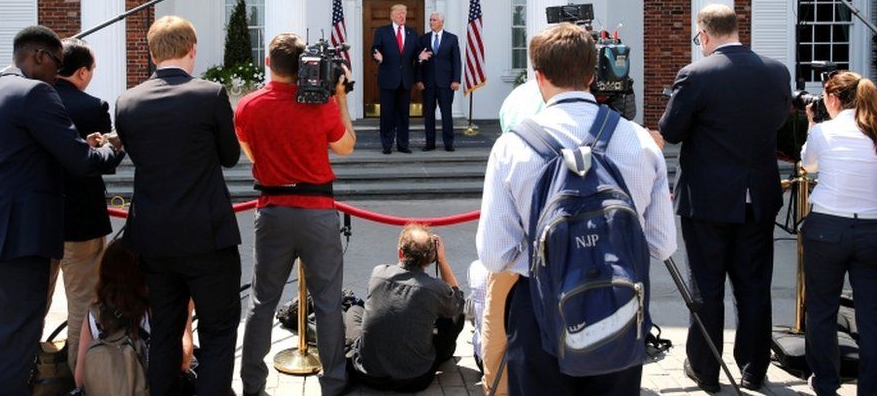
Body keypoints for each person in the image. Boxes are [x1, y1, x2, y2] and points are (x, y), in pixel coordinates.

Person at [477, 23, 676, 396]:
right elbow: (662, 245)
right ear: (592, 74)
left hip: (538, 307)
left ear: (538, 77)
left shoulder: (511, 147)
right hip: (618, 303)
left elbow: (493, 254)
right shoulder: (640, 141)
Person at [0, 25, 121, 396]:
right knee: (19, 339)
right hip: (20, 235)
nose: (57, 75)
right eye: (56, 64)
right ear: (38, 56)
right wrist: (112, 148)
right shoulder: (35, 93)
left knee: (2, 336)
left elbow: (23, 156)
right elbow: (79, 161)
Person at [658, 3, 791, 393]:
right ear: (735, 29)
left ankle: (706, 369)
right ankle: (753, 369)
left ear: (704, 33)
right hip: (759, 196)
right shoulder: (776, 71)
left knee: (706, 286)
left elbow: (672, 129)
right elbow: (779, 121)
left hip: (707, 200)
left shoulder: (695, 74)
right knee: (754, 285)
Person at [115, 15, 242, 396]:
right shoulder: (210, 94)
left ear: (152, 53)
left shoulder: (127, 101)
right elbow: (230, 155)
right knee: (219, 332)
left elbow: (137, 155)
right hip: (206, 235)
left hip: (153, 235)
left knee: (166, 329)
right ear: (192, 49)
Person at [237, 32, 356, 396]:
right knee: (327, 301)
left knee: (262, 301)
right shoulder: (319, 106)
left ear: (269, 63)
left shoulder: (248, 106)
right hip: (317, 211)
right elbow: (346, 146)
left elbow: (251, 155)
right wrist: (338, 97)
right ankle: (333, 383)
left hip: (272, 209)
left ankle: (252, 383)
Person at [799, 71, 877, 396]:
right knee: (871, 314)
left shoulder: (825, 131)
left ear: (832, 99)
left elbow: (808, 165)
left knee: (821, 309)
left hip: (827, 228)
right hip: (871, 229)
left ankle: (826, 383)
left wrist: (811, 125)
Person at [46, 38, 116, 371]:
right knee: (83, 304)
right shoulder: (92, 107)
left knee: (32, 306)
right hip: (81, 218)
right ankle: (79, 377)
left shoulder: (34, 103)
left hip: (38, 220)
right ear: (83, 72)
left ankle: (30, 373)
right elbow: (103, 161)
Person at [344, 224, 465, 392]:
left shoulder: (378, 273)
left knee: (354, 311)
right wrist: (442, 261)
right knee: (455, 314)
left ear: (400, 252)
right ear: (431, 257)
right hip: (414, 379)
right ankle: (441, 354)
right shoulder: (436, 288)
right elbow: (459, 302)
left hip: (368, 373)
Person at [74, 237, 194, 394]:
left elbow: (80, 378)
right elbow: (183, 360)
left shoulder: (94, 315)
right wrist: (187, 311)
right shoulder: (158, 311)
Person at [371, 4, 430, 154]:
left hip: (405, 81)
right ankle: (387, 145)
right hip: (387, 80)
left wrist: (420, 57)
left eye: (404, 13)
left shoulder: (412, 33)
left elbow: (417, 51)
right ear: (391, 16)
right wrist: (378, 57)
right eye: (399, 13)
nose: (402, 16)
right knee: (387, 114)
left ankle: (403, 145)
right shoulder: (382, 32)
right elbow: (375, 49)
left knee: (404, 114)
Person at [415, 12, 461, 151]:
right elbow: (419, 62)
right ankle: (430, 143)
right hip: (428, 84)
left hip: (446, 83)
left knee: (446, 113)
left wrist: (456, 80)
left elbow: (456, 61)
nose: (431, 22)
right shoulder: (423, 39)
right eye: (430, 20)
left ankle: (448, 143)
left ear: (441, 22)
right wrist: (419, 80)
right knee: (429, 114)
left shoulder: (452, 39)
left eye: (434, 20)